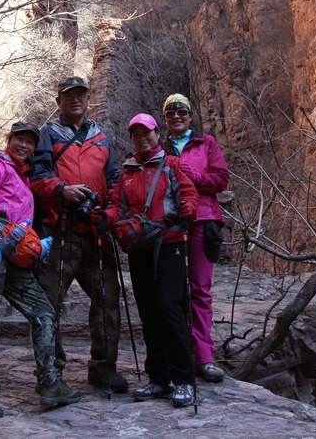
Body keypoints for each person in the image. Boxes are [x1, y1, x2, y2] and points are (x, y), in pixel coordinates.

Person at [0, 121, 82, 419]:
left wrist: (37, 246)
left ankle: (50, 383)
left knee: (43, 311)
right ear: (10, 139)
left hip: (15, 251)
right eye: (20, 139)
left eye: (30, 142)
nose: (24, 146)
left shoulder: (22, 175)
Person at [29, 76, 126, 394]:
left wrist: (109, 210)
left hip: (95, 232)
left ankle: (103, 367)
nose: (75, 100)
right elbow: (38, 175)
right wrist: (62, 191)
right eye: (69, 96)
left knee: (108, 299)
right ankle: (51, 371)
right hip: (60, 232)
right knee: (48, 303)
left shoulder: (101, 136)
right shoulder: (48, 135)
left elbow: (114, 178)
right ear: (59, 100)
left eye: (81, 95)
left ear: (88, 98)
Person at [102, 113, 199, 408]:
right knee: (148, 313)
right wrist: (104, 220)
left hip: (169, 245)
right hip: (140, 248)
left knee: (171, 309)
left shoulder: (172, 164)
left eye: (146, 133)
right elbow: (116, 206)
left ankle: (184, 379)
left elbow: (189, 193)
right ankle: (159, 378)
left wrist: (187, 209)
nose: (142, 138)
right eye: (136, 134)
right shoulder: (127, 171)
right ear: (131, 138)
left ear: (157, 133)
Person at [161, 93, 230, 383]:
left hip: (203, 219)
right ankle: (179, 354)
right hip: (172, 222)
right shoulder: (160, 147)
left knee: (200, 289)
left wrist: (194, 178)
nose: (176, 116)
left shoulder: (206, 144)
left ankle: (205, 356)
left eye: (181, 112)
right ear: (165, 119)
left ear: (190, 116)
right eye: (171, 113)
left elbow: (221, 179)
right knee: (173, 291)